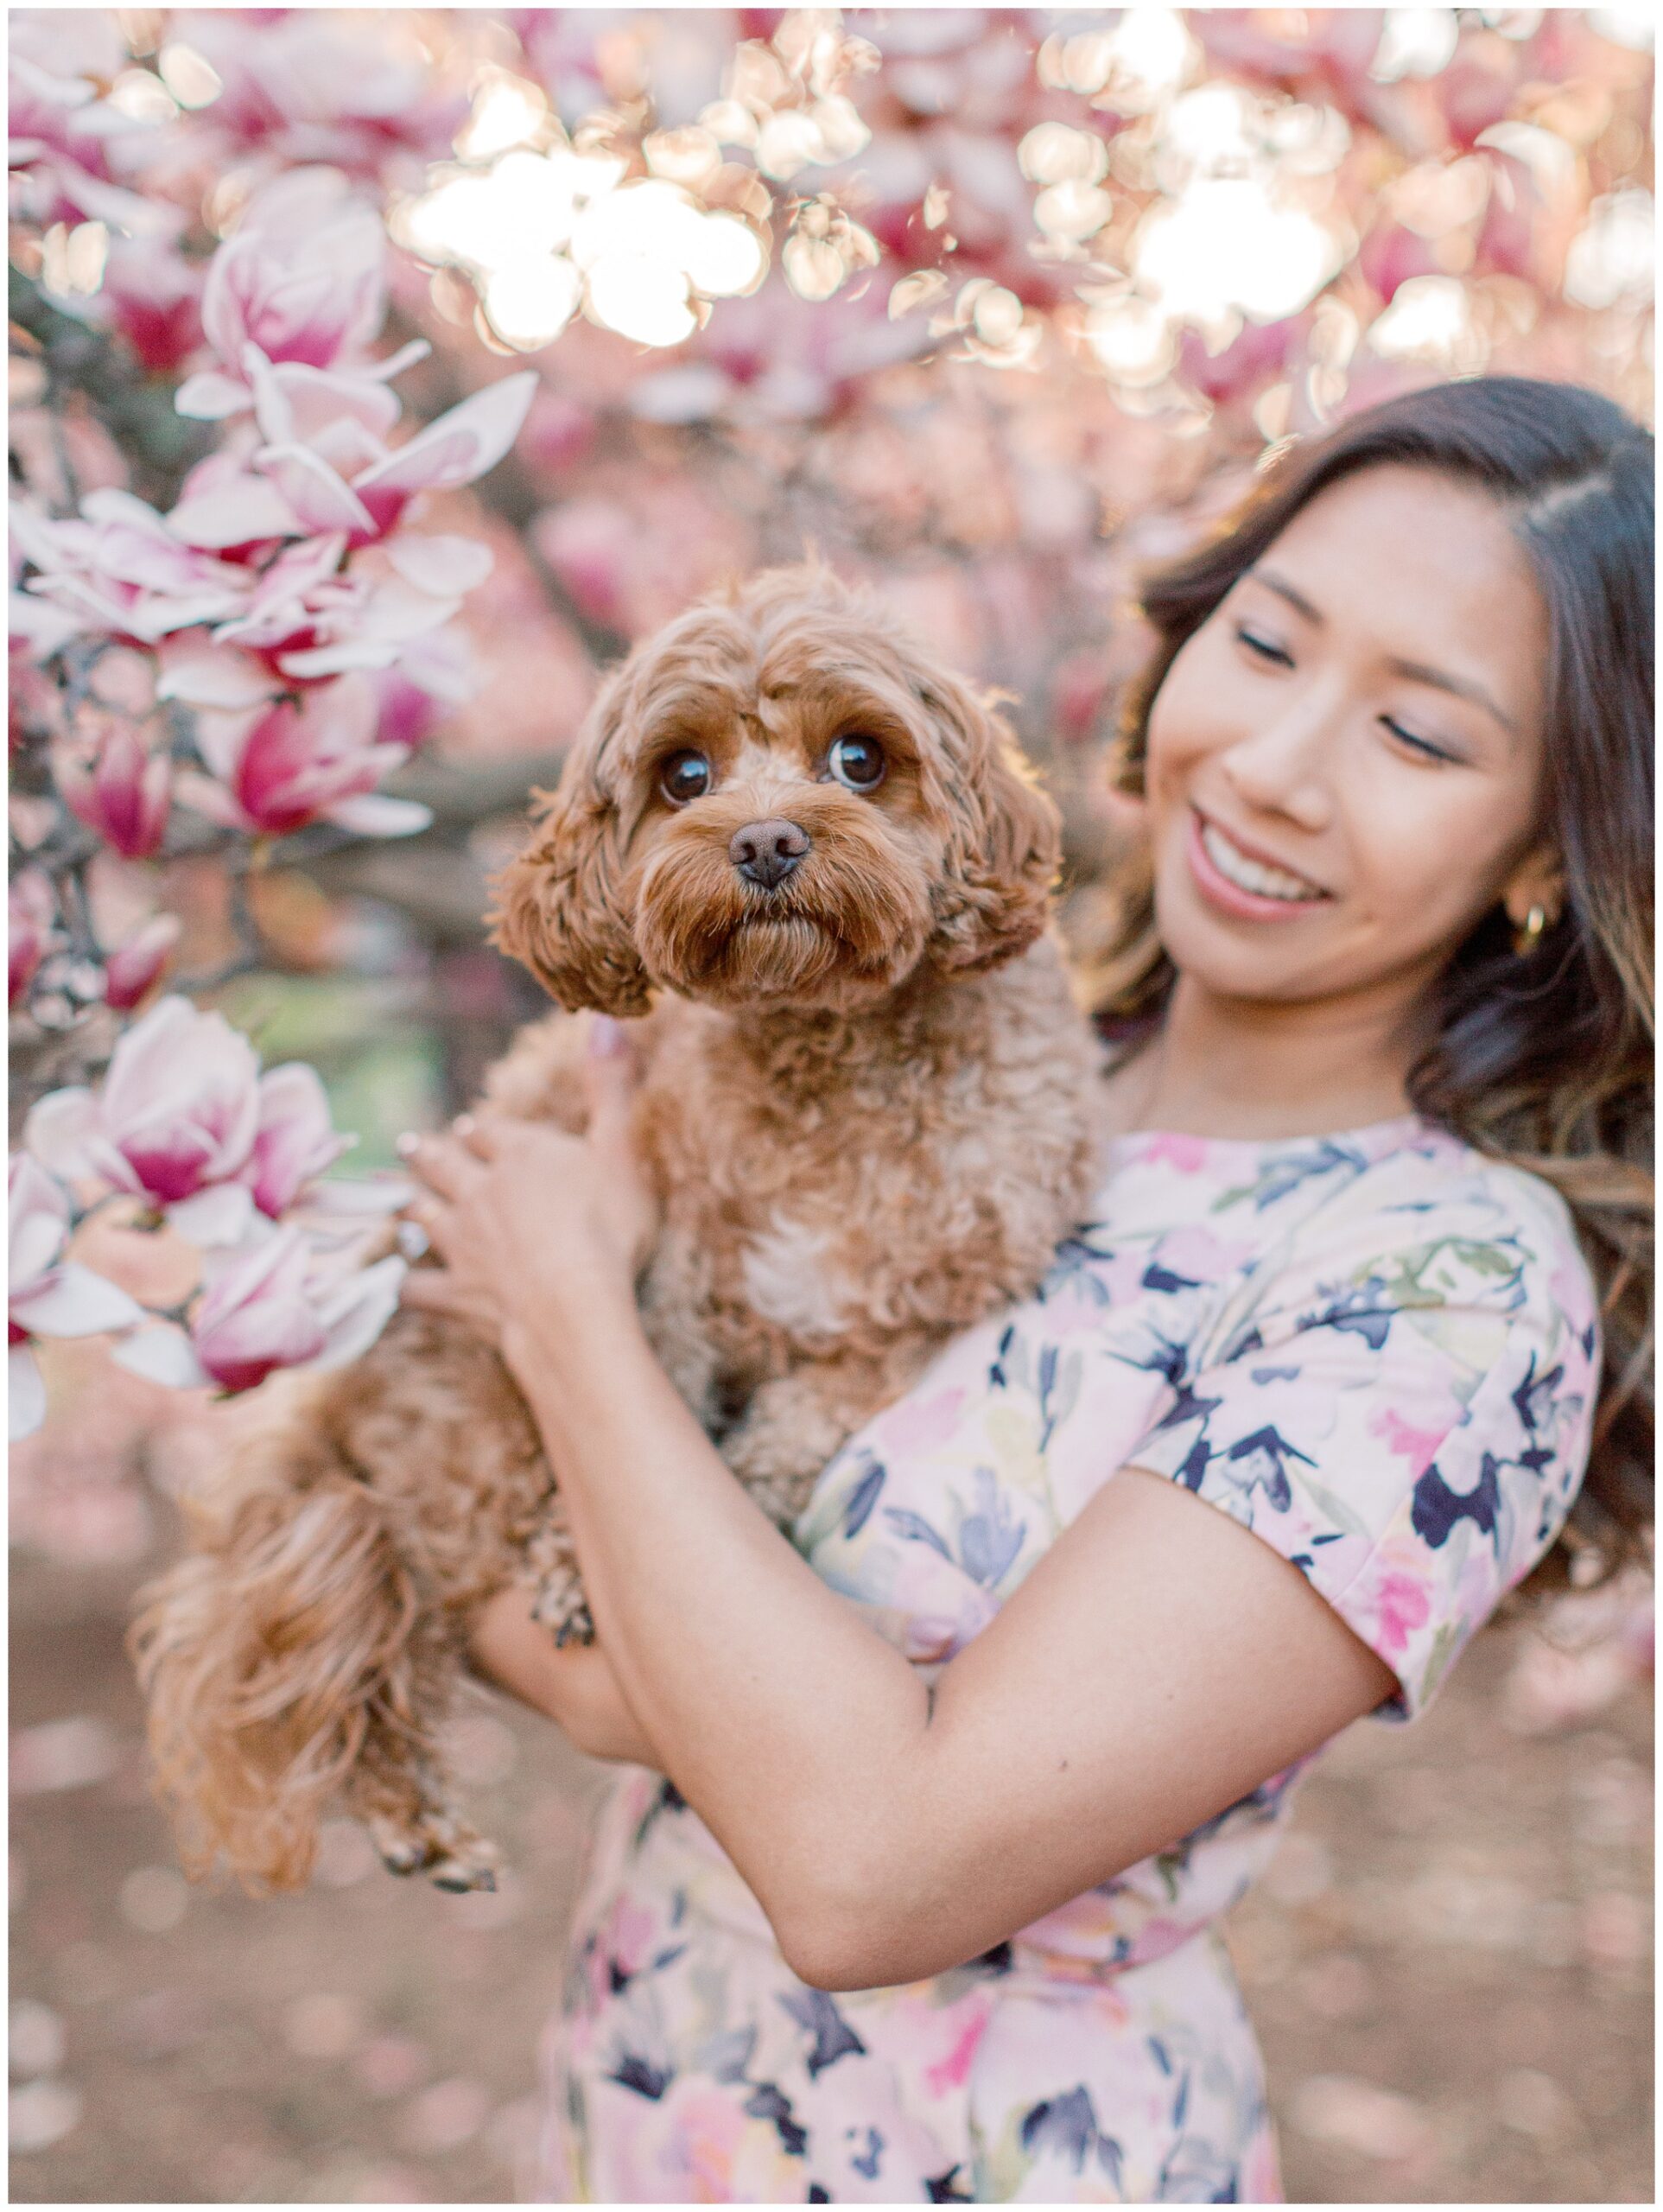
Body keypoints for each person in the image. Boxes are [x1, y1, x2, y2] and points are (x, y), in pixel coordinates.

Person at [396, 377, 1653, 2203]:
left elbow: (864, 1865)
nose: (1279, 764)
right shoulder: (972, 1037)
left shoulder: (1445, 1299)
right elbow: (575, 1631)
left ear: (1551, 834)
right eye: (1272, 641)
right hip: (654, 2092)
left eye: (1420, 736)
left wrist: (565, 1310)